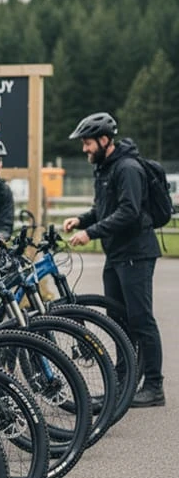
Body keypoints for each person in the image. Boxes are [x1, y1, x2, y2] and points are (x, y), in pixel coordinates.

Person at [62, 111, 164, 408]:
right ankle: (123, 382)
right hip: (117, 254)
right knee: (117, 320)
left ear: (104, 140)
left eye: (87, 143)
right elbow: (104, 209)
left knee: (141, 319)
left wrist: (90, 233)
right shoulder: (106, 168)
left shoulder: (128, 168)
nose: (84, 149)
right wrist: (81, 220)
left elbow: (129, 212)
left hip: (136, 253)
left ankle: (154, 386)